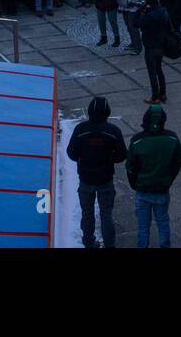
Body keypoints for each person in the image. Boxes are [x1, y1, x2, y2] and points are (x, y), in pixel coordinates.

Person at [66, 96, 127, 248]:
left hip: (86, 179)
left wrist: (84, 159)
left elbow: (71, 153)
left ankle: (88, 242)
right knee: (106, 214)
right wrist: (109, 159)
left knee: (87, 214)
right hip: (105, 180)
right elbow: (122, 155)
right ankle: (109, 245)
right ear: (107, 112)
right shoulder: (113, 131)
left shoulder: (81, 129)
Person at [126, 103, 181, 249]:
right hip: (162, 189)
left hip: (143, 190)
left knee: (143, 226)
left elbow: (130, 167)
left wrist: (135, 184)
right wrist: (169, 179)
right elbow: (179, 162)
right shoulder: (172, 138)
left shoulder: (138, 140)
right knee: (163, 221)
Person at [138, 2, 169, 104]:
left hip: (150, 48)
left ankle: (155, 97)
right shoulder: (162, 13)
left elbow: (135, 23)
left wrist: (140, 11)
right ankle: (163, 93)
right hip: (160, 47)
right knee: (159, 70)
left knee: (152, 73)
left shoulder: (148, 17)